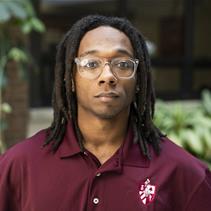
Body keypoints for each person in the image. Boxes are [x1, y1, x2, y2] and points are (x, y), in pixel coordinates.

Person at [0, 15, 211, 211]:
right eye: (91, 64)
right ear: (70, 79)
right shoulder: (19, 165)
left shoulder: (183, 173)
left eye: (122, 64)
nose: (107, 76)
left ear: (138, 80)